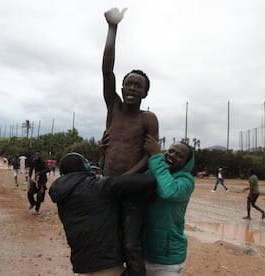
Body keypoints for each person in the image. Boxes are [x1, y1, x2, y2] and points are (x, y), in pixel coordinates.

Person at [102, 8, 159, 275]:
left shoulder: (149, 119)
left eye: (138, 85)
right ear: (121, 88)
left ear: (145, 93)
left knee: (132, 243)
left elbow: (150, 154)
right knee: (108, 238)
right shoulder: (113, 106)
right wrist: (113, 28)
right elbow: (107, 69)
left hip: (133, 188)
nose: (133, 88)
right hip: (108, 184)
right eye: (129, 84)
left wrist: (125, 178)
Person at [49, 152, 156, 275]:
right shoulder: (98, 187)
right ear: (86, 167)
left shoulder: (62, 194)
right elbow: (147, 181)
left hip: (82, 264)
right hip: (107, 265)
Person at [143, 135, 195, 276]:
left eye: (179, 156)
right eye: (171, 151)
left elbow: (169, 192)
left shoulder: (186, 181)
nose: (172, 155)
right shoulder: (153, 172)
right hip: (141, 254)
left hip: (167, 261)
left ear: (185, 164)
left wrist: (155, 156)